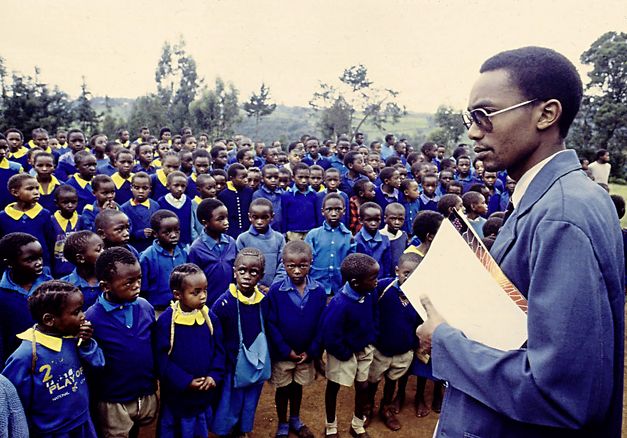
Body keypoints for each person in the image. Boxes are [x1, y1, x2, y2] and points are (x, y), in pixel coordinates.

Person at [417, 46, 624, 437]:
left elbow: (560, 393)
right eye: (470, 118)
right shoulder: (568, 195)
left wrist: (444, 340)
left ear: (546, 114)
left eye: (484, 115)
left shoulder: (562, 215)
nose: (473, 131)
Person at [2, 280, 105, 437]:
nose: (83, 316)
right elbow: (13, 402)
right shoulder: (26, 355)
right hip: (51, 431)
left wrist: (86, 344)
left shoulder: (73, 339)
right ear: (49, 320)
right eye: (76, 312)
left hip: (81, 422)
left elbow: (98, 364)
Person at [87, 247, 158, 437]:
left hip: (143, 390)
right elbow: (92, 360)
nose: (137, 286)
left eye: (139, 279)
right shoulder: (92, 318)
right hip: (113, 397)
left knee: (137, 429)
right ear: (105, 286)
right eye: (129, 283)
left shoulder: (145, 307)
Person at [154, 264, 225, 438]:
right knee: (177, 429)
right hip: (178, 395)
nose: (203, 296)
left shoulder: (209, 317)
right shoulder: (166, 322)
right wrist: (185, 381)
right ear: (178, 294)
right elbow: (161, 359)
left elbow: (219, 350)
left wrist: (213, 376)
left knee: (199, 427)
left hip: (203, 393)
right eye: (196, 292)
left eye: (205, 290)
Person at [266, 241, 326, 438]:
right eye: (291, 266)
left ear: (311, 263)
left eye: (303, 265)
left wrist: (312, 350)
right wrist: (285, 351)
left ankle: (295, 419)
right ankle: (283, 422)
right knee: (283, 389)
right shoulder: (276, 291)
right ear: (283, 264)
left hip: (305, 354)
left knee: (297, 387)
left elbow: (321, 324)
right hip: (283, 354)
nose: (297, 270)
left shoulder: (318, 291)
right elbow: (271, 324)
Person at [211, 247, 270, 437]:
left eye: (253, 272)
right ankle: (228, 431)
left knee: (250, 400)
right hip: (231, 365)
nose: (246, 276)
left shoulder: (263, 301)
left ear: (260, 275)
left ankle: (243, 430)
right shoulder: (223, 304)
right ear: (234, 272)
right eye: (242, 271)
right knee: (230, 402)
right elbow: (215, 338)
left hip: (255, 364)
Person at [322, 253, 379, 438]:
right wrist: (345, 353)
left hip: (363, 347)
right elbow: (330, 336)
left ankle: (357, 424)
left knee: (362, 387)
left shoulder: (369, 292)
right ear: (355, 282)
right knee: (334, 387)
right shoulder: (339, 305)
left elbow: (373, 317)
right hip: (342, 351)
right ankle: (331, 426)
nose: (376, 282)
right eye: (373, 278)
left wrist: (371, 337)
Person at [366, 252, 422, 430]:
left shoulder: (420, 295)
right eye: (406, 273)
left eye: (416, 275)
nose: (411, 278)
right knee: (373, 381)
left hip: (404, 352)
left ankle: (386, 408)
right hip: (380, 350)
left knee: (392, 381)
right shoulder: (383, 287)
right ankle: (367, 409)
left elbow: (421, 323)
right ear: (397, 271)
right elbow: (369, 311)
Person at [0, 233, 54, 363]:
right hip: (15, 359)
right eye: (30, 260)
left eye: (40, 257)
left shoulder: (50, 286)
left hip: (50, 356)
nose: (39, 263)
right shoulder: (2, 294)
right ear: (10, 263)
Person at [189, 199, 237, 306]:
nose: (226, 222)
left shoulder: (231, 242)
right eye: (220, 219)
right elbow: (193, 281)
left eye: (226, 217)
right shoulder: (196, 249)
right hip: (208, 304)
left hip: (230, 301)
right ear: (205, 223)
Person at [305, 193, 355, 296]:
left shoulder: (348, 236)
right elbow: (306, 261)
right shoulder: (313, 235)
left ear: (344, 211)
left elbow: (351, 262)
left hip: (340, 287)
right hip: (316, 285)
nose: (333, 213)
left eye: (338, 209)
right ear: (323, 212)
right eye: (329, 209)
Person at [0, 174, 55, 267]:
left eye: (37, 188)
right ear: (15, 192)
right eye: (30, 189)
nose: (36, 192)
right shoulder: (3, 217)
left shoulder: (44, 214)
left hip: (41, 266)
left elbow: (50, 242)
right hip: (13, 267)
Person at [139, 210, 188, 316]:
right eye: (167, 232)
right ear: (155, 234)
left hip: (180, 308)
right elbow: (142, 289)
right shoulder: (147, 257)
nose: (174, 235)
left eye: (177, 231)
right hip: (157, 310)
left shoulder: (183, 253)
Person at [236, 198, 285, 292]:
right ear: (249, 217)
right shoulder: (243, 239)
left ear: (272, 217)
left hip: (274, 290)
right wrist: (256, 286)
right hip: (249, 289)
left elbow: (282, 265)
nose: (259, 221)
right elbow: (239, 266)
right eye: (255, 217)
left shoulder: (279, 238)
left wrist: (273, 287)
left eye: (264, 217)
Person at [61, 231, 104, 309]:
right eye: (98, 250)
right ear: (80, 258)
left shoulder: (111, 279)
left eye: (103, 248)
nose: (104, 252)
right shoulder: (65, 287)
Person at [120, 172, 160, 253]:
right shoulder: (124, 208)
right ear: (131, 188)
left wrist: (154, 232)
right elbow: (123, 231)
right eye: (137, 188)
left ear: (150, 189)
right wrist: (140, 233)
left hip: (152, 248)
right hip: (134, 248)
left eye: (145, 188)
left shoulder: (155, 205)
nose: (141, 191)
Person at [281, 163, 318, 240]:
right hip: (293, 232)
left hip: (310, 231)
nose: (304, 180)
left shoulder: (313, 194)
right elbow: (284, 215)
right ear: (293, 178)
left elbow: (316, 213)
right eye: (300, 177)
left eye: (306, 177)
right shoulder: (287, 195)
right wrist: (284, 232)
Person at [354, 202, 392, 279]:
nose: (373, 223)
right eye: (369, 220)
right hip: (362, 282)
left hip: (380, 281)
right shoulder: (356, 240)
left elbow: (387, 265)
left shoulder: (385, 240)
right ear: (360, 220)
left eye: (377, 220)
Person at [49, 184, 80, 278]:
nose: (70, 205)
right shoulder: (51, 221)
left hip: (76, 270)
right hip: (57, 269)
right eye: (65, 202)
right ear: (56, 203)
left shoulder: (80, 220)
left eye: (73, 202)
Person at [158, 171, 194, 247]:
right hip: (168, 241)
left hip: (186, 241)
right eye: (176, 185)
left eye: (183, 186)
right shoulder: (161, 202)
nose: (180, 189)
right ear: (168, 186)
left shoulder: (188, 201)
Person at [218, 163, 254, 239]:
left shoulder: (249, 191)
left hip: (248, 230)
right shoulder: (223, 195)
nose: (246, 180)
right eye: (242, 178)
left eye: (246, 177)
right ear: (232, 178)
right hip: (231, 232)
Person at [380, 203, 408, 268]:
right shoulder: (379, 236)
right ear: (385, 218)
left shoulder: (403, 236)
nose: (397, 222)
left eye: (400, 219)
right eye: (393, 219)